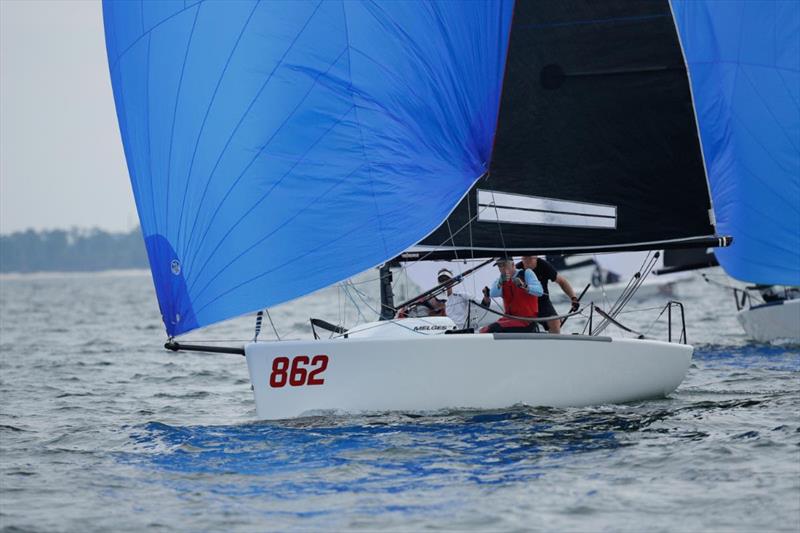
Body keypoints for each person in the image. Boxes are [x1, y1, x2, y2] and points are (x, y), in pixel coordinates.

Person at [480, 258, 543, 333]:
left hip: (526, 321)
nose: (502, 268)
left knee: (493, 329)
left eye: (504, 265)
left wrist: (524, 286)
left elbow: (540, 291)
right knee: (483, 331)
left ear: (513, 265)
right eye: (499, 266)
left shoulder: (527, 273)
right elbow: (493, 294)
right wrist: (500, 282)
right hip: (509, 319)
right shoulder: (500, 280)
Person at [518, 255, 579, 334]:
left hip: (542, 302)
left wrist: (573, 298)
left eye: (529, 257)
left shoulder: (544, 265)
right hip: (525, 304)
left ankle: (554, 344)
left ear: (536, 257)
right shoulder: (517, 269)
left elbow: (562, 281)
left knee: (555, 322)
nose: (526, 261)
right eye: (524, 258)